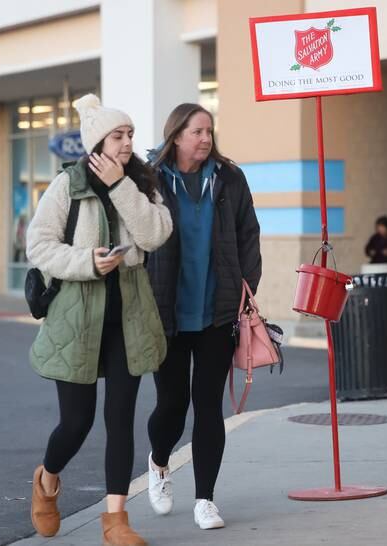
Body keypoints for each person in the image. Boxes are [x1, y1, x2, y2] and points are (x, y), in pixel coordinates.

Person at [27, 94, 172, 545]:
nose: (127, 142)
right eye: (118, 135)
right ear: (97, 142)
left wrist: (119, 186)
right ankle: (47, 479)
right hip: (77, 317)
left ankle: (116, 520)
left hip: (129, 316)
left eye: (129, 134)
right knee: (76, 422)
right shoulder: (65, 186)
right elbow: (39, 246)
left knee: (121, 417)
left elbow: (155, 234)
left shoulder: (143, 183)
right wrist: (88, 260)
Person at [144, 103, 261, 530]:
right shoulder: (151, 181)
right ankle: (158, 462)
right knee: (172, 406)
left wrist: (248, 284)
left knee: (208, 405)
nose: (206, 139)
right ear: (176, 136)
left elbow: (249, 230)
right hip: (167, 314)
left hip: (218, 311)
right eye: (197, 131)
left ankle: (205, 499)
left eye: (209, 130)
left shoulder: (228, 177)